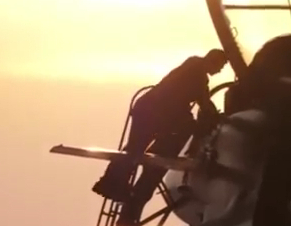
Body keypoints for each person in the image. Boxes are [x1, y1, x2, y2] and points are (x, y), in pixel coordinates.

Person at [93, 49, 227, 205]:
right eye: (220, 66)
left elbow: (201, 100)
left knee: (135, 147)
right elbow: (202, 101)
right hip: (151, 111)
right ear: (212, 60)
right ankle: (112, 183)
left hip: (151, 111)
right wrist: (215, 117)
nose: (219, 71)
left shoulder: (195, 70)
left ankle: (112, 181)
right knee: (135, 148)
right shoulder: (196, 73)